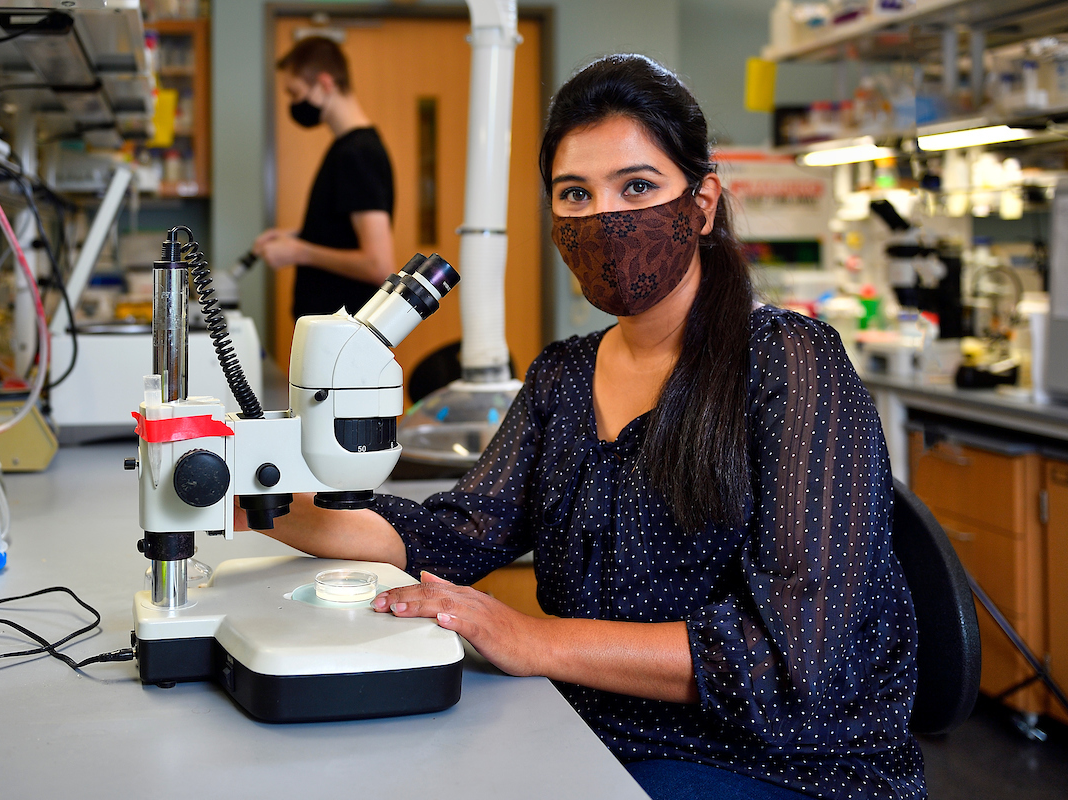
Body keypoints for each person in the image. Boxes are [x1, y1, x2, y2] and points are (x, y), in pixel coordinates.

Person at [240, 54, 923, 800]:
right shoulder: (563, 378)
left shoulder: (791, 362)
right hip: (596, 730)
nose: (605, 218)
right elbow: (452, 536)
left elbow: (796, 657)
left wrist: (532, 638)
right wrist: (251, 498)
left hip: (782, 763)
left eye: (636, 186)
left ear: (700, 205)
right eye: (575, 193)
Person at [254, 36, 396, 318]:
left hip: (344, 336)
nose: (294, 103)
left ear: (325, 83)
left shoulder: (358, 154)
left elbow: (378, 264)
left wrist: (299, 251)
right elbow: (344, 235)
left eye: (295, 93)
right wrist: (296, 236)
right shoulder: (346, 149)